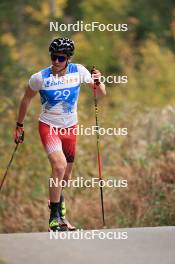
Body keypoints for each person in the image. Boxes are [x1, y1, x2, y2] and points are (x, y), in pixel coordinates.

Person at [14, 37, 106, 231]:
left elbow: (100, 93)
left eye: (61, 58)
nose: (56, 62)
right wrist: (19, 125)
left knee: (65, 177)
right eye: (53, 57)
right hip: (49, 127)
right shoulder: (39, 78)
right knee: (59, 166)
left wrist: (99, 81)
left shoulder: (79, 71)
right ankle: (54, 219)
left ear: (68, 59)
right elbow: (25, 100)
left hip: (71, 128)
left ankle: (58, 209)